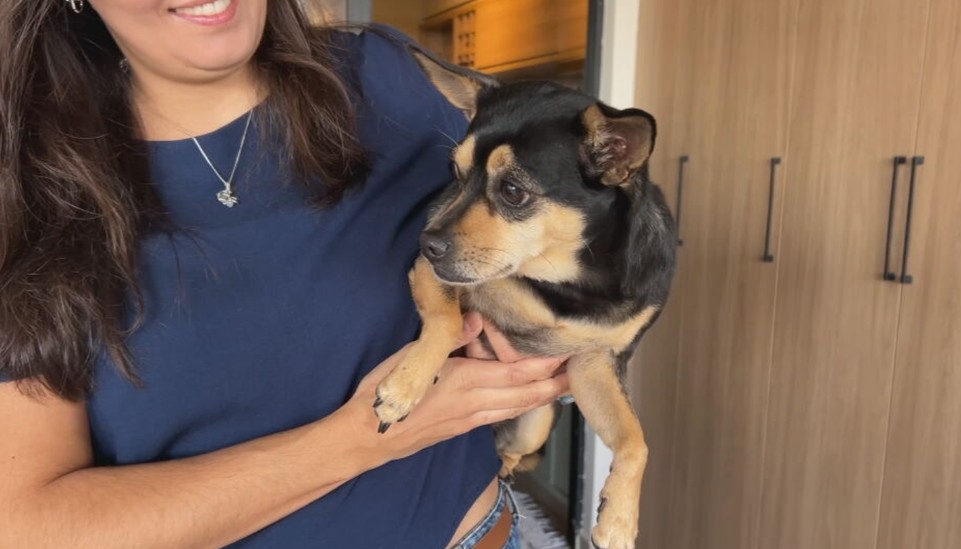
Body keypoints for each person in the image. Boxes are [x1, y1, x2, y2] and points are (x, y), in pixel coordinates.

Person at [0, 1, 570, 547]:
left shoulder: (388, 78)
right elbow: (30, 529)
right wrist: (359, 440)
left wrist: (537, 338)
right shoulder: (28, 194)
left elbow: (590, 227)